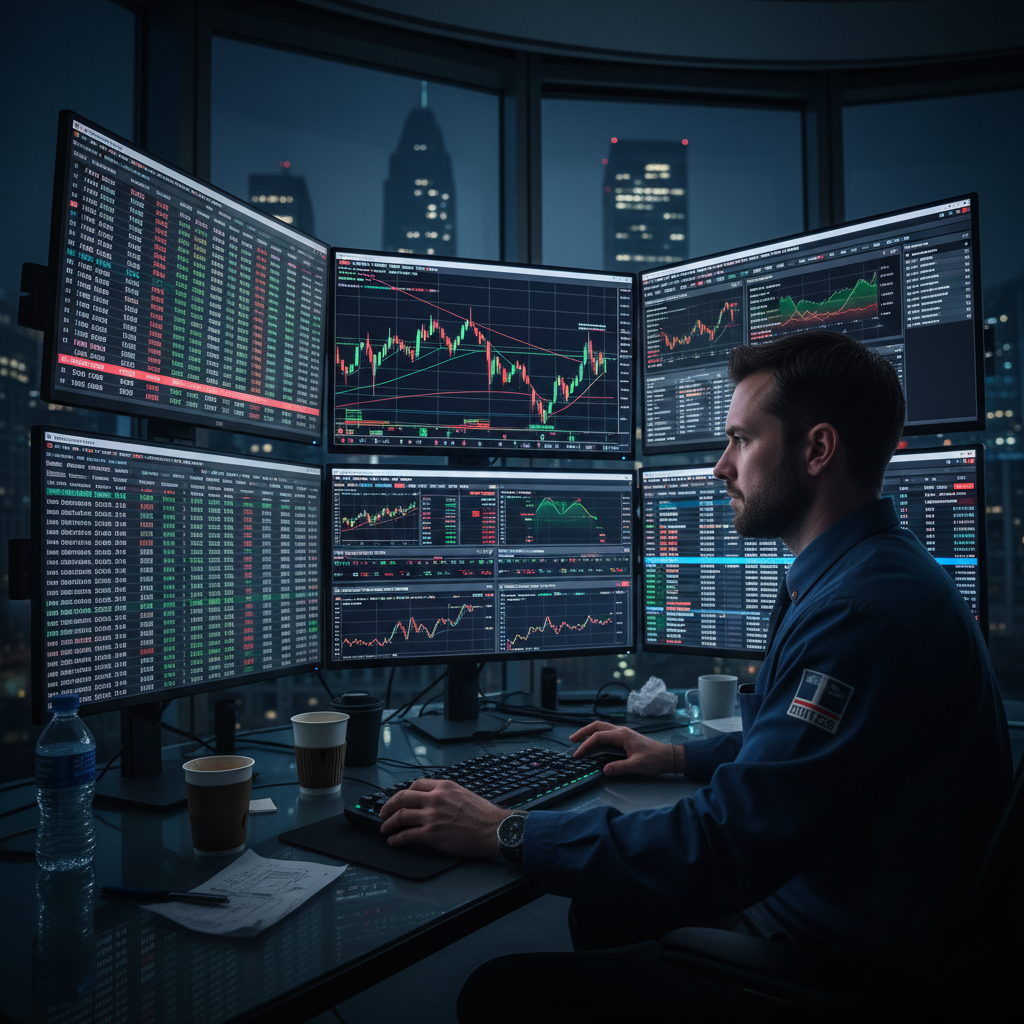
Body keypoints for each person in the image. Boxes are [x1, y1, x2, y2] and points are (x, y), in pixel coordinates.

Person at [378, 330, 1013, 1019]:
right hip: (829, 893)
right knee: (602, 909)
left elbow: (725, 843)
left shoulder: (861, 614)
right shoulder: (860, 573)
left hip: (837, 957)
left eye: (741, 440)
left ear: (817, 449)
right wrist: (677, 755)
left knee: (498, 995)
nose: (720, 467)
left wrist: (504, 830)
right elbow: (805, 750)